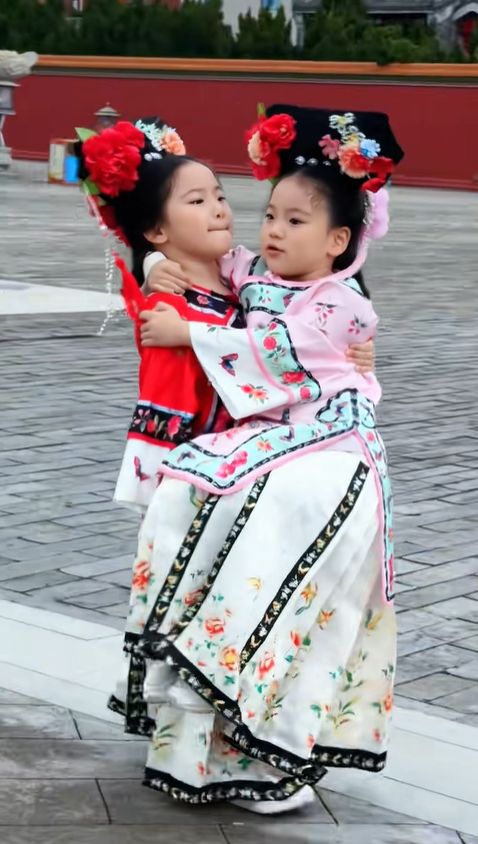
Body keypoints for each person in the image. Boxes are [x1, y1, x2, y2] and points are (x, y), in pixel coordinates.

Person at [110, 104, 403, 814]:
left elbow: (283, 351)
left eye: (295, 221)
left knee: (268, 531)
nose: (272, 230)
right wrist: (154, 262)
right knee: (189, 491)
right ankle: (192, 691)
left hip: (332, 445)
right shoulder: (257, 276)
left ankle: (248, 715)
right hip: (269, 438)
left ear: (339, 240)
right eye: (270, 215)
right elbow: (192, 256)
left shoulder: (342, 305)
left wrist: (190, 336)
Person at [75, 116, 373, 513]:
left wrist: (347, 352)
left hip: (270, 455)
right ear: (156, 230)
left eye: (219, 196)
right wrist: (161, 491)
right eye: (197, 202)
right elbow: (165, 403)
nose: (218, 210)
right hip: (207, 482)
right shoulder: (173, 310)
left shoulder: (241, 279)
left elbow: (298, 333)